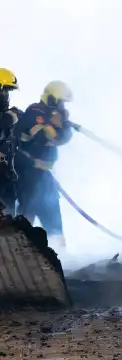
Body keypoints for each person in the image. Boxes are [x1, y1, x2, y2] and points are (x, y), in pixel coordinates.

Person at [14, 81, 74, 249]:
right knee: (24, 221)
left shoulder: (56, 117)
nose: (62, 107)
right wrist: (54, 127)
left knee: (54, 223)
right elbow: (42, 137)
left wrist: (64, 124)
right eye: (60, 102)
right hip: (28, 176)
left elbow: (64, 138)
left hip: (45, 177)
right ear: (52, 99)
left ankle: (62, 259)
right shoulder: (35, 111)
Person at [0, 69, 19, 214]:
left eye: (8, 92)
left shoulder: (9, 114)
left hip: (5, 175)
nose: (7, 96)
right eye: (4, 91)